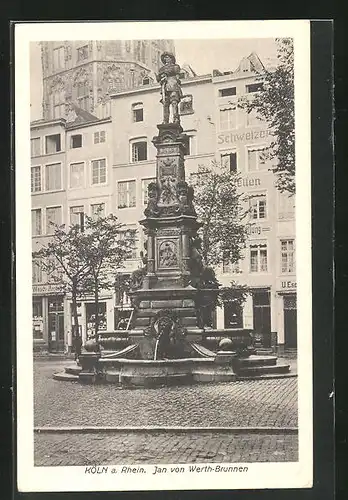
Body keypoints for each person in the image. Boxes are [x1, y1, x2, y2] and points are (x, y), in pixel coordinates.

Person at [156, 52, 183, 124]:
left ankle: (176, 119)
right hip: (164, 86)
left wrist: (166, 74)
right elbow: (158, 78)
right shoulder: (161, 69)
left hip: (173, 85)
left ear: (171, 58)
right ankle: (165, 120)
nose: (166, 59)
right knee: (165, 103)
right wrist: (161, 78)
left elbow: (176, 74)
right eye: (165, 58)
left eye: (167, 57)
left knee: (174, 101)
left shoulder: (175, 66)